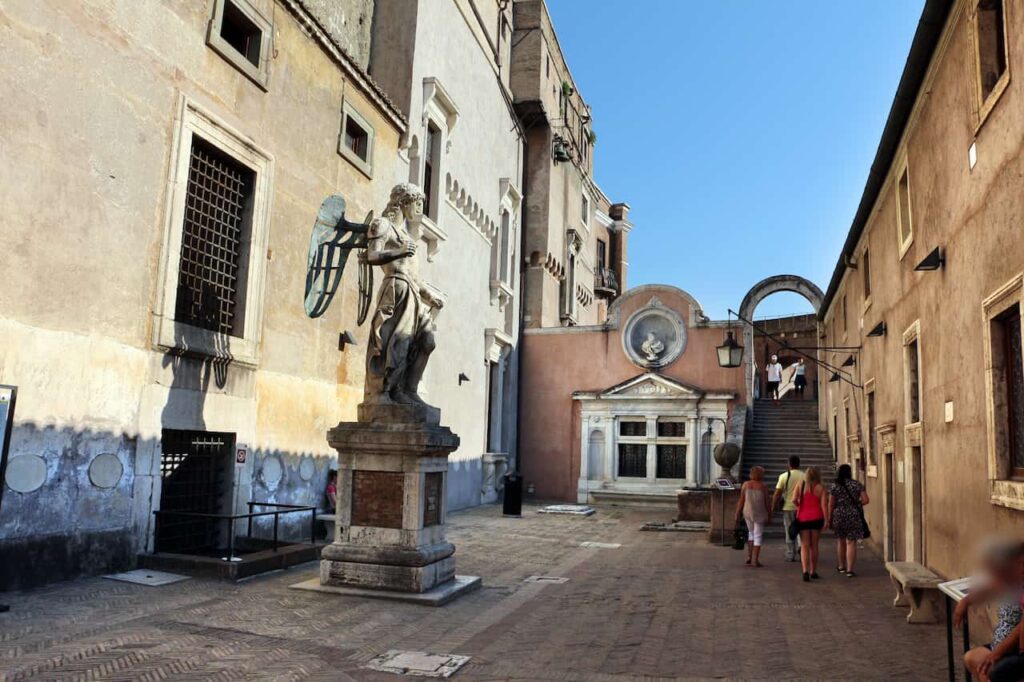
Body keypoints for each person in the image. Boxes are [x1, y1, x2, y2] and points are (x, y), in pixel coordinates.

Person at [956, 539, 1024, 681]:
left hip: (1013, 648)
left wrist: (997, 653)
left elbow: (1020, 628)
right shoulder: (1010, 580)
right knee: (972, 658)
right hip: (1000, 644)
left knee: (988, 670)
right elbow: (988, 589)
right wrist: (966, 600)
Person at [827, 464, 869, 577]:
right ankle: (850, 570)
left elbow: (831, 504)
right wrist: (856, 504)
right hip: (854, 515)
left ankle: (841, 566)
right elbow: (865, 500)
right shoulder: (857, 484)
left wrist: (829, 518)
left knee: (841, 541)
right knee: (851, 542)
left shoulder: (834, 486)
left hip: (839, 514)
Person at [793, 466, 828, 582]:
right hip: (817, 518)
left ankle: (805, 571)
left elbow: (794, 500)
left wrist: (800, 506)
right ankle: (813, 571)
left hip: (803, 518)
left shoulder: (800, 484)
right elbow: (824, 506)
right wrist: (826, 520)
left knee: (804, 546)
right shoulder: (821, 488)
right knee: (814, 546)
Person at [735, 466, 772, 567]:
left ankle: (750, 556)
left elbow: (741, 500)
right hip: (759, 513)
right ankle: (755, 560)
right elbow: (767, 502)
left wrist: (737, 512)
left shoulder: (746, 485)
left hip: (748, 512)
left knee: (751, 534)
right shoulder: (763, 487)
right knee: (758, 536)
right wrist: (770, 514)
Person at [771, 455, 805, 562]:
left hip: (788, 507)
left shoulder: (784, 476)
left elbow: (777, 493)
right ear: (799, 464)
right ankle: (801, 547)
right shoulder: (805, 476)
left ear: (789, 464)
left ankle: (790, 554)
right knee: (802, 530)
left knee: (789, 530)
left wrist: (773, 507)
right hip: (802, 507)